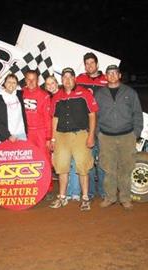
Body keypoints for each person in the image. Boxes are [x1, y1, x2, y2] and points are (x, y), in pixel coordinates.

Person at [95, 65, 143, 210]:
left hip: (127, 136)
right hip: (106, 137)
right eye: (109, 74)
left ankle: (125, 199)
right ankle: (110, 197)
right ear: (105, 76)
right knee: (109, 169)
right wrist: (98, 133)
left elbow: (137, 113)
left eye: (115, 73)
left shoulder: (130, 92)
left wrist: (136, 133)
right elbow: (94, 115)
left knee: (125, 169)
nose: (112, 76)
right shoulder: (99, 94)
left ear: (119, 75)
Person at [49, 68, 98, 211]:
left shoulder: (84, 93)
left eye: (70, 77)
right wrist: (53, 138)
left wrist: (91, 136)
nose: (68, 80)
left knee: (83, 168)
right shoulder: (57, 96)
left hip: (80, 135)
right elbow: (55, 118)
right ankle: (62, 197)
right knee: (62, 168)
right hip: (61, 136)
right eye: (65, 77)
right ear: (62, 80)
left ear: (75, 79)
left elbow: (92, 115)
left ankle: (85, 198)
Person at [76, 52, 108, 199]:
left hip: (103, 126)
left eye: (92, 63)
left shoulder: (106, 79)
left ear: (97, 64)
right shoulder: (79, 79)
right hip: (86, 126)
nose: (89, 66)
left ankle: (103, 191)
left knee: (103, 161)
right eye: (87, 63)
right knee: (87, 161)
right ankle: (88, 192)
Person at [45, 76, 80, 201]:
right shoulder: (47, 98)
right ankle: (65, 192)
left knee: (73, 162)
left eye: (53, 83)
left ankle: (74, 192)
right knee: (61, 164)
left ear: (57, 83)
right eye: (48, 84)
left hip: (68, 132)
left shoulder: (64, 94)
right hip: (55, 134)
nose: (51, 86)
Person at [22, 70, 53, 200]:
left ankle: (47, 188)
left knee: (44, 160)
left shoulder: (44, 95)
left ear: (38, 80)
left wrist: (48, 137)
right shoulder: (20, 93)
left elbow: (48, 118)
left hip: (40, 132)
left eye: (33, 79)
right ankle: (31, 186)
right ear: (25, 80)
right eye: (28, 79)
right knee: (28, 160)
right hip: (25, 132)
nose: (31, 82)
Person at [0, 74, 27, 142]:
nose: (11, 84)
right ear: (4, 83)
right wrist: (8, 136)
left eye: (14, 82)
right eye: (9, 82)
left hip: (22, 134)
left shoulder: (20, 95)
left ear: (17, 85)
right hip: (7, 136)